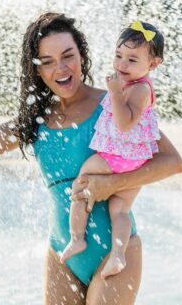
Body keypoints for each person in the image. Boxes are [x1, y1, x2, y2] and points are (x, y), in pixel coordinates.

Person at [0, 12, 182, 305]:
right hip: (62, 251)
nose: (60, 69)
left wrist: (113, 184)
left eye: (68, 56)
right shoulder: (33, 121)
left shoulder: (113, 104)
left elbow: (172, 162)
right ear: (37, 69)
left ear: (82, 56)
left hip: (116, 252)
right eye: (47, 62)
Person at [59, 21, 164, 280]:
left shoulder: (139, 89)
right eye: (118, 56)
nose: (122, 65)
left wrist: (115, 93)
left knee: (81, 182)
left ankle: (77, 238)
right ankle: (118, 255)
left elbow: (125, 123)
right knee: (119, 210)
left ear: (153, 64)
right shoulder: (136, 85)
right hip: (136, 161)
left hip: (118, 158)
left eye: (131, 59)